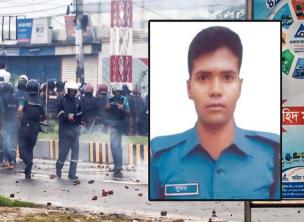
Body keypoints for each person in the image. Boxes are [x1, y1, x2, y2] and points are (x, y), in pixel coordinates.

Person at [150, 26, 280, 200]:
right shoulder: (160, 158)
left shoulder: (273, 154)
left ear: (240, 87)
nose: (216, 90)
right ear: (189, 89)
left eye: (227, 77)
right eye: (203, 77)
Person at [18, 79, 46, 179]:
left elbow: (20, 110)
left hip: (25, 126)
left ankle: (28, 162)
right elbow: (44, 115)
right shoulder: (40, 99)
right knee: (30, 148)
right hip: (36, 128)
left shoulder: (23, 97)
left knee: (22, 149)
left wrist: (21, 122)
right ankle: (28, 172)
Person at [56, 81, 83, 180]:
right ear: (67, 90)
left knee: (75, 154)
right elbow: (58, 114)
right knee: (63, 154)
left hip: (75, 132)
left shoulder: (78, 101)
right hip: (64, 132)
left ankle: (72, 174)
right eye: (71, 91)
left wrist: (81, 121)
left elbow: (80, 113)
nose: (73, 93)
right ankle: (58, 169)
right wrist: (67, 116)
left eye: (74, 91)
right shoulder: (61, 100)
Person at [105, 83, 130, 178]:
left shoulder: (124, 99)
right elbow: (105, 112)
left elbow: (128, 112)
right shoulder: (110, 99)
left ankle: (118, 167)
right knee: (113, 146)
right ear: (113, 92)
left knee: (117, 146)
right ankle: (116, 166)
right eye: (116, 92)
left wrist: (122, 108)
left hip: (120, 125)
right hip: (111, 125)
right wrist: (106, 108)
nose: (117, 93)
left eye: (119, 91)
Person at [0, 81, 18, 169]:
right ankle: (10, 159)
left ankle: (8, 159)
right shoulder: (15, 98)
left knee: (6, 142)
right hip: (14, 123)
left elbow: (1, 112)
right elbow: (17, 110)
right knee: (11, 142)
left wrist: (0, 124)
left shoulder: (2, 99)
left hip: (5, 123)